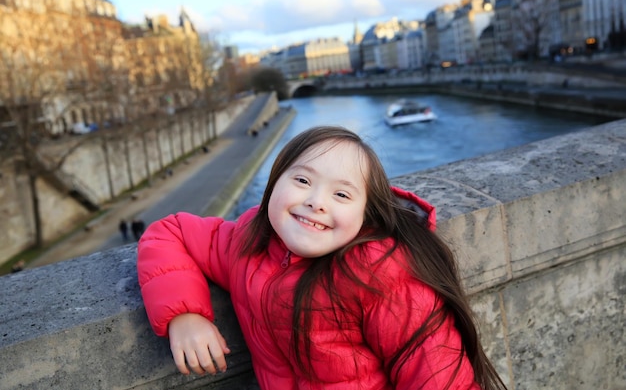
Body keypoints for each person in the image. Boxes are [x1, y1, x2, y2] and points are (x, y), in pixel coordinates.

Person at [137, 126, 507, 390]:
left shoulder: (379, 272)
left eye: (342, 195)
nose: (317, 201)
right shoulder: (245, 243)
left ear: (367, 214)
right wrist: (184, 316)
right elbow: (168, 233)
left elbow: (435, 374)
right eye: (301, 181)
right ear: (273, 185)